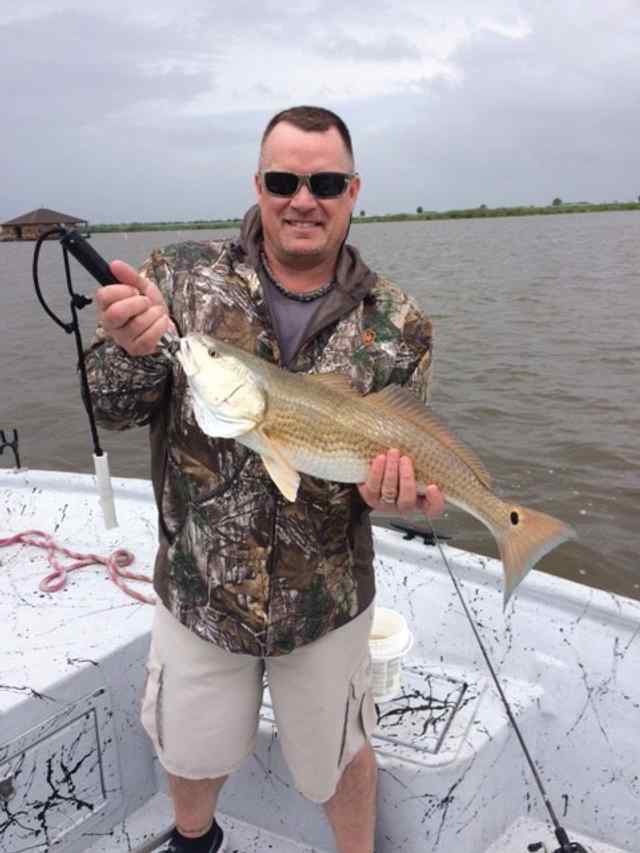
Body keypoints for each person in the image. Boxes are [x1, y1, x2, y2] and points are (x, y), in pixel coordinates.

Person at [86, 105, 444, 853]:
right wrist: (126, 349)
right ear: (258, 184)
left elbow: (394, 467)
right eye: (283, 181)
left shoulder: (398, 322)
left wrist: (394, 493)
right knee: (189, 753)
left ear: (353, 190)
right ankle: (193, 841)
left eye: (325, 183)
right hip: (200, 592)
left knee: (341, 757)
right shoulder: (178, 279)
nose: (302, 199)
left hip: (326, 604)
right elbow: (110, 409)